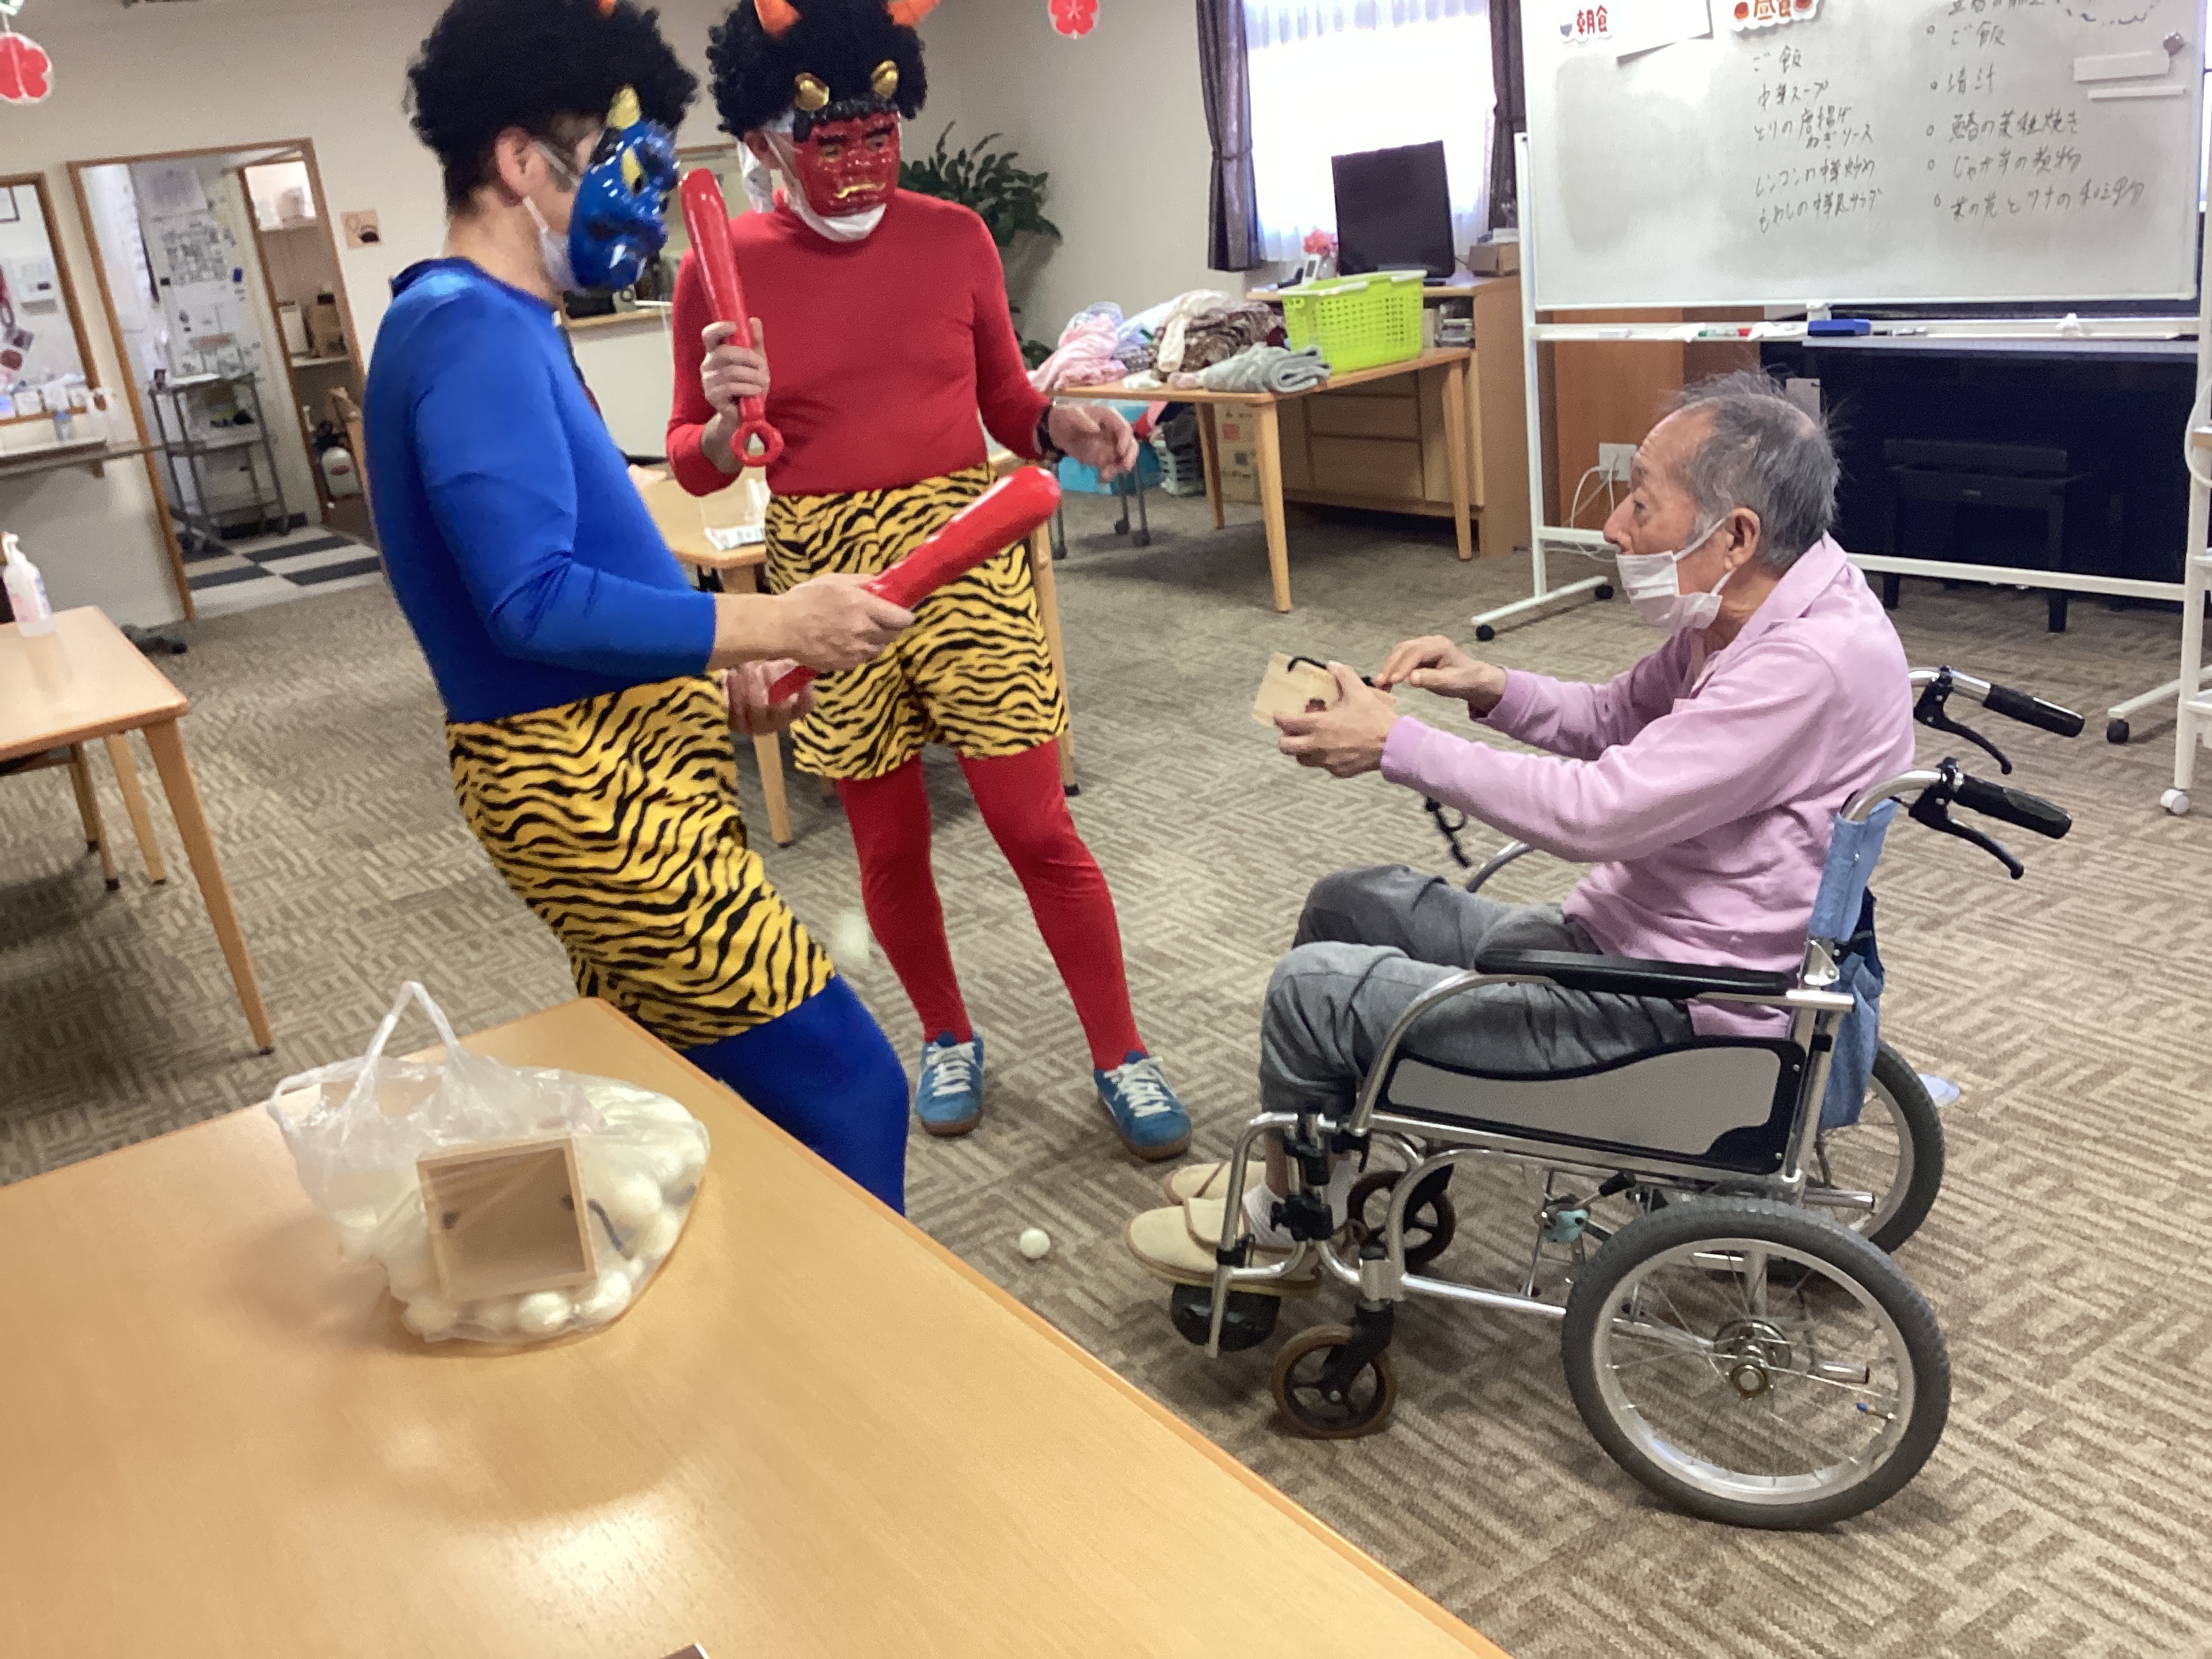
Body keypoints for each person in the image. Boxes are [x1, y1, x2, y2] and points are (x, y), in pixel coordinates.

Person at [1127, 371, 1914, 1284]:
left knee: (1312, 992)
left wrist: (1397, 746)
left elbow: (1598, 812)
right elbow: (1612, 715)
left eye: (1641, 503)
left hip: (1670, 1011)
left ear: (1735, 535)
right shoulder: (1767, 599)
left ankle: (1282, 1233)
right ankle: (1316, 1173)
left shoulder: (1803, 665)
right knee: (1349, 903)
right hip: (1628, 946)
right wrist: (1489, 686)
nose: (1614, 527)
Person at [365, 0, 920, 1210]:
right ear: (522, 162)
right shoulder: (466, 330)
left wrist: (707, 671)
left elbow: (570, 548)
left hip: (613, 755)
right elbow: (529, 603)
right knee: (853, 1084)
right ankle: (861, 1321)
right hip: (587, 787)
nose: (650, 200)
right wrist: (779, 621)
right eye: (626, 162)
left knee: (669, 1099)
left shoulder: (490, 320)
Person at [663, 0, 1192, 1159]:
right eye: (830, 139)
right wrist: (723, 426)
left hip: (966, 549)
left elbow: (1005, 401)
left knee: (1035, 824)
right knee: (888, 844)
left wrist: (1063, 423)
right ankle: (946, 1033)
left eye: (879, 132)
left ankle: (1122, 1049)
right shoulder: (721, 269)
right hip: (823, 572)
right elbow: (693, 463)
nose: (859, 160)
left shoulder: (956, 238)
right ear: (763, 140)